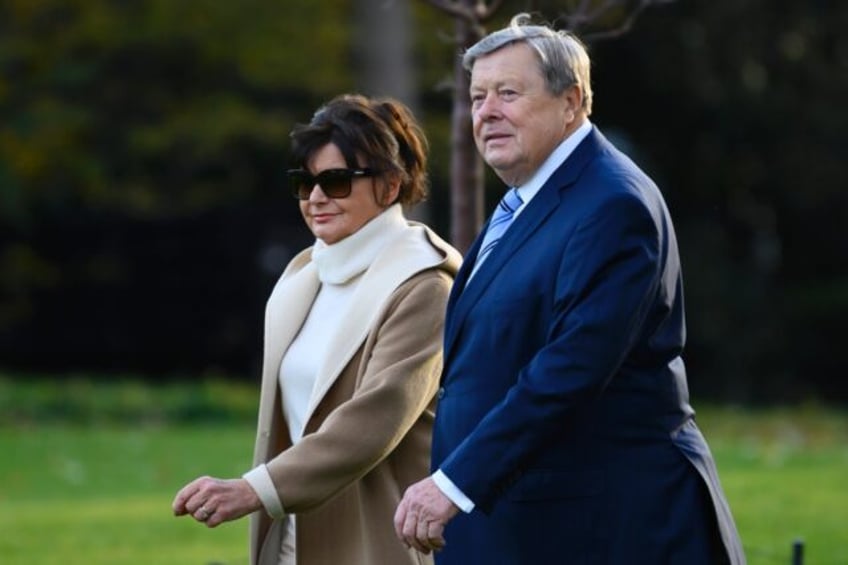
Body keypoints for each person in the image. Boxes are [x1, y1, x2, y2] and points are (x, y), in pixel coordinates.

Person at [394, 13, 746, 565]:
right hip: (522, 516)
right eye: (479, 96)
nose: (486, 113)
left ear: (572, 102)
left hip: (604, 524)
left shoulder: (613, 204)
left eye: (508, 93)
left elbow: (570, 369)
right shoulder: (529, 196)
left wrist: (456, 482)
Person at [172, 93, 462, 565]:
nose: (316, 198)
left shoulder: (425, 285)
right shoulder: (306, 273)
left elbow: (374, 420)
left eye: (337, 181)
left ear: (390, 186)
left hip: (377, 542)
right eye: (304, 183)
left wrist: (254, 489)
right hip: (293, 538)